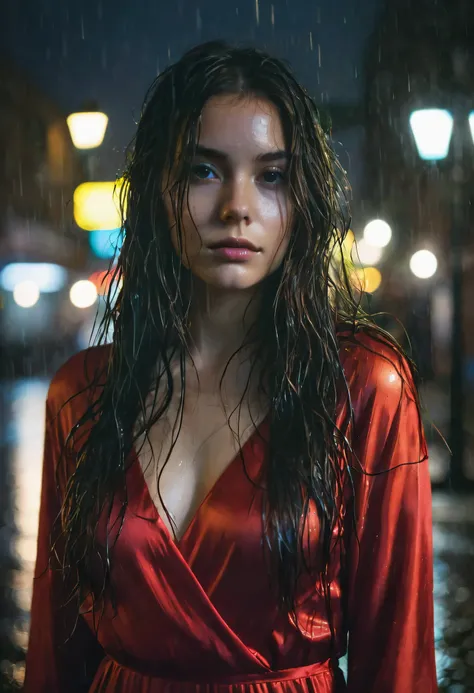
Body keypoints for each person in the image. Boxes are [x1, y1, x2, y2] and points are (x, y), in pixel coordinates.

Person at [24, 41, 437, 692]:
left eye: (271, 176)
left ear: (301, 199)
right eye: (203, 171)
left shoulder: (364, 386)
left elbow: (399, 659)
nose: (237, 207)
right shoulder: (83, 392)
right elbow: (54, 653)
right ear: (159, 186)